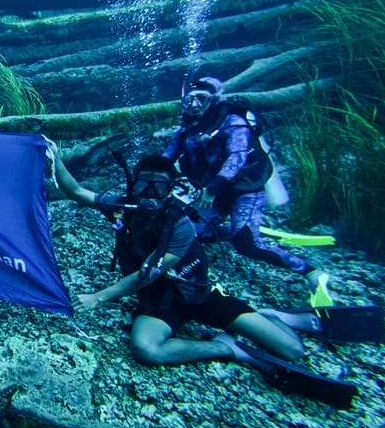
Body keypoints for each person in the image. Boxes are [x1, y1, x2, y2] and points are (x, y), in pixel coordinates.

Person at [51, 148, 305, 367]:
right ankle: (226, 348)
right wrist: (55, 157)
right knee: (146, 350)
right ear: (132, 184)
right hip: (159, 302)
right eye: (143, 185)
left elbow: (146, 275)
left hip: (200, 296)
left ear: (170, 190)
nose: (149, 193)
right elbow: (76, 191)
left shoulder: (181, 225)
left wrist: (98, 297)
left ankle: (272, 316)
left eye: (158, 187)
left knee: (292, 350)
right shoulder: (122, 207)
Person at [163, 76, 334, 307]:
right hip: (214, 193)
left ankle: (310, 271)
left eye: (201, 99)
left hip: (246, 189)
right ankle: (236, 229)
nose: (194, 106)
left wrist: (212, 189)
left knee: (247, 245)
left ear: (212, 100)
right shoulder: (186, 131)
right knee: (191, 233)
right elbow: (165, 159)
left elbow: (238, 156)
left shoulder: (232, 121)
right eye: (189, 101)